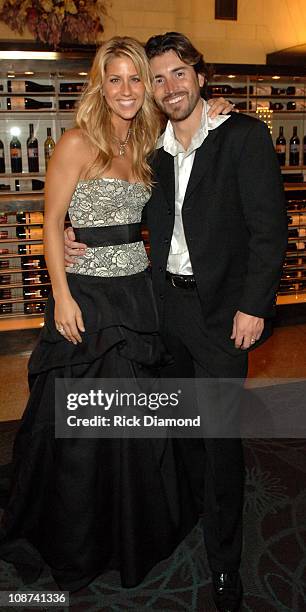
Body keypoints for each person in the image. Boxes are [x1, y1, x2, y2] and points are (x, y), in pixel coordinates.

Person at [65, 32, 288, 611]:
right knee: (182, 424)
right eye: (156, 77)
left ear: (200, 75)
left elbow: (269, 230)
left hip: (223, 317)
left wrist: (254, 305)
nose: (168, 87)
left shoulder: (242, 135)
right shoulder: (151, 150)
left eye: (178, 73)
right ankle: (188, 511)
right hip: (163, 310)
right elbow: (105, 193)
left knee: (219, 440)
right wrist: (71, 235)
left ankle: (223, 562)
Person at [0, 37, 232, 593]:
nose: (127, 90)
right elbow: (49, 222)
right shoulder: (78, 143)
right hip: (88, 301)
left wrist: (216, 108)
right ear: (99, 87)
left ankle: (134, 524)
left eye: (136, 79)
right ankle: (78, 533)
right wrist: (61, 295)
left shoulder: (149, 139)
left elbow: (189, 149)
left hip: (138, 294)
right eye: (116, 79)